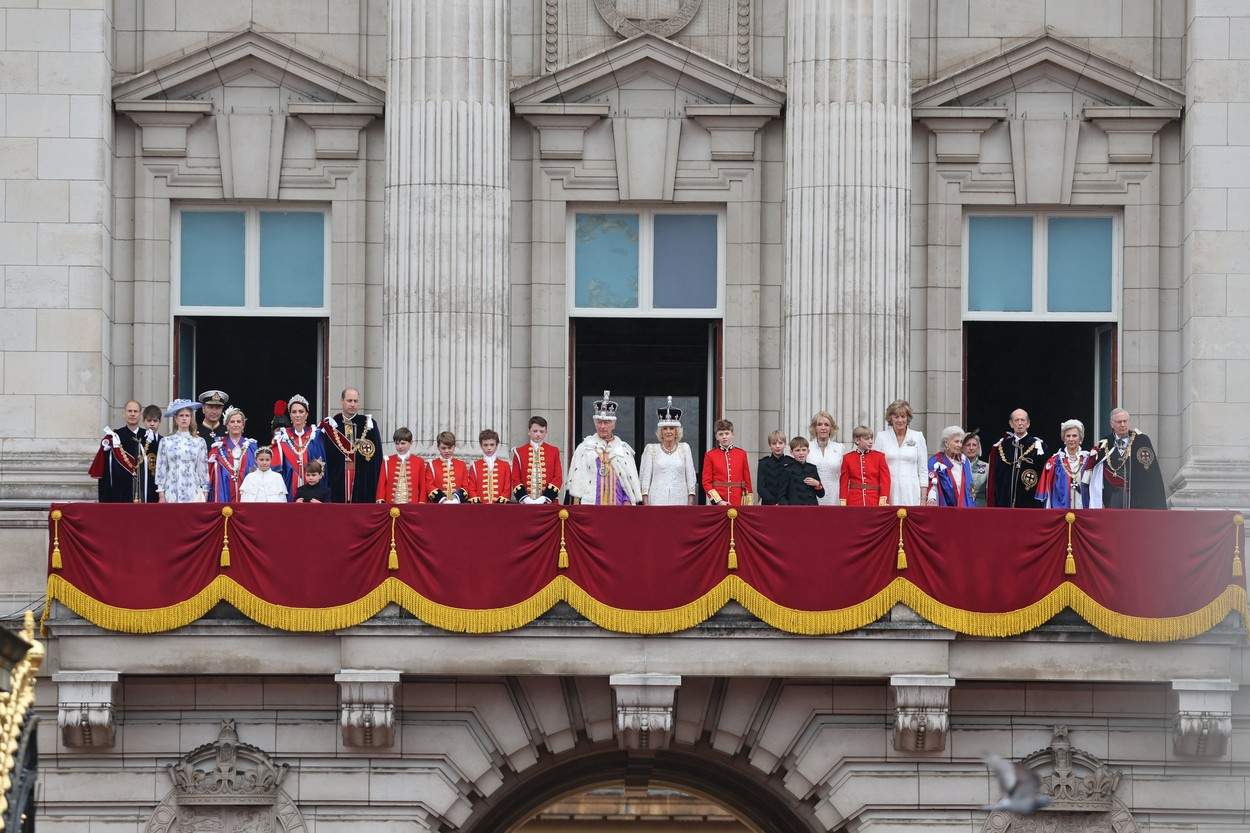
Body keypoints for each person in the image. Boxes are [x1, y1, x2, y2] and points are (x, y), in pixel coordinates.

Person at [568, 391, 641, 505]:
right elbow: (576, 481)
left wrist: (627, 501)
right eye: (599, 422)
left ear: (613, 424)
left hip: (618, 506)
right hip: (591, 505)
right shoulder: (584, 448)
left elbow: (627, 480)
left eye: (606, 422)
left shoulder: (623, 450)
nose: (602, 426)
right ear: (595, 423)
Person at [1088, 409, 1167, 509]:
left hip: (1137, 496)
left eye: (1125, 421)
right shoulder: (1104, 443)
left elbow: (1150, 472)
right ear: (1112, 424)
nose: (1122, 424)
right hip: (1113, 497)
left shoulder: (1141, 440)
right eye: (1119, 422)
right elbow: (1097, 475)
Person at [320, 388, 383, 503]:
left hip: (362, 482)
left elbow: (377, 457)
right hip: (337, 481)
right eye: (349, 401)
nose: (353, 404)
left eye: (355, 401)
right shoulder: (332, 425)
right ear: (342, 401)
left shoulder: (369, 424)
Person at [89, 400, 152, 503]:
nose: (132, 414)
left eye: (135, 411)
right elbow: (106, 470)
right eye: (129, 411)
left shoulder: (148, 436)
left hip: (144, 496)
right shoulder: (114, 437)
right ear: (124, 414)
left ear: (140, 414)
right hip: (119, 495)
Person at [639, 397, 697, 506]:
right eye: (665, 428)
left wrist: (690, 501)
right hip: (656, 500)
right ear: (661, 432)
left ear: (677, 431)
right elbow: (645, 479)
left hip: (680, 500)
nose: (668, 432)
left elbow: (690, 476)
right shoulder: (651, 449)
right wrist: (645, 504)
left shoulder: (684, 448)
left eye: (672, 428)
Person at [986, 408, 1046, 508]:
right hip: (1005, 502)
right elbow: (996, 477)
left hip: (1029, 501)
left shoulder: (1039, 446)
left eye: (1023, 420)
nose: (1020, 423)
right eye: (1016, 420)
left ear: (1028, 424)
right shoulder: (1002, 446)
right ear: (1011, 424)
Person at [272, 394, 326, 501]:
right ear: (290, 415)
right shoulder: (281, 437)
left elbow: (322, 464)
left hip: (313, 489)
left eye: (301, 412)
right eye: (294, 412)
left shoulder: (316, 435)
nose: (297, 415)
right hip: (289, 486)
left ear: (306, 414)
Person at [155, 399, 209, 503]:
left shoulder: (199, 442)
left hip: (193, 490)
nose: (184, 418)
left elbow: (203, 470)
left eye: (187, 415)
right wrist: (161, 494)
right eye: (181, 415)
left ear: (191, 418)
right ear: (175, 418)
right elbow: (161, 469)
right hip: (171, 490)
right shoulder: (166, 441)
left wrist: (205, 493)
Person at [875, 400, 928, 506]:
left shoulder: (918, 436)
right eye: (896, 417)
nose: (900, 420)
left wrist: (923, 498)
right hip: (888, 489)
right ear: (890, 418)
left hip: (911, 489)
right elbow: (875, 468)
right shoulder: (881, 437)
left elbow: (923, 469)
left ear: (907, 418)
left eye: (903, 416)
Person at [1036, 419, 1094, 510]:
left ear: (1080, 438)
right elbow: (1049, 489)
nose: (1071, 439)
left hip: (1084, 509)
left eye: (1074, 436)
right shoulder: (1055, 461)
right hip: (1060, 510)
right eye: (1068, 436)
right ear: (1064, 439)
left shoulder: (1089, 460)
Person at [208, 407, 258, 503]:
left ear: (243, 425)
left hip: (247, 496)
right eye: (232, 422)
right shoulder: (218, 448)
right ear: (227, 425)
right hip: (224, 495)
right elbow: (210, 477)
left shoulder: (251, 447)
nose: (236, 424)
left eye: (239, 422)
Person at [511, 416, 563, 504]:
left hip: (548, 503)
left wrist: (545, 498)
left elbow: (558, 477)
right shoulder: (519, 452)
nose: (538, 434)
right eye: (535, 431)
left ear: (546, 432)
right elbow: (515, 478)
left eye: (541, 431)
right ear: (529, 432)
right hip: (525, 503)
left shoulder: (554, 451)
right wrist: (525, 499)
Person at [702, 419, 752, 506]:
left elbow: (747, 480)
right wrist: (718, 501)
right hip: (719, 501)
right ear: (716, 437)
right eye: (721, 434)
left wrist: (748, 503)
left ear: (732, 435)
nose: (724, 437)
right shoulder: (710, 455)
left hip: (738, 501)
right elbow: (706, 482)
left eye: (727, 433)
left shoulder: (741, 454)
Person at [839, 426, 891, 507]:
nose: (870, 442)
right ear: (857, 440)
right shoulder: (847, 458)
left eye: (871, 439)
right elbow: (844, 483)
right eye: (867, 439)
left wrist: (883, 499)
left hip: (874, 500)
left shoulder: (879, 457)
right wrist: (843, 501)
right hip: (854, 500)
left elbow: (885, 480)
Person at [926, 426, 974, 507]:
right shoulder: (935, 461)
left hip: (965, 510)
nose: (959, 445)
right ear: (946, 443)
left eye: (961, 442)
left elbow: (971, 488)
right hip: (944, 509)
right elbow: (931, 485)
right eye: (956, 441)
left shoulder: (965, 462)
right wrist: (931, 498)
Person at [376, 427, 424, 504]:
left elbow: (422, 485)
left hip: (413, 505)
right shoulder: (387, 461)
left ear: (411, 442)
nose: (400, 446)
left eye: (403, 443)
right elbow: (382, 483)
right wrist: (380, 498)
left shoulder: (419, 461)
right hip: (391, 505)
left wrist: (422, 501)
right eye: (397, 443)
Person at [806, 411, 845, 505]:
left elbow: (844, 475)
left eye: (826, 425)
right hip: (811, 495)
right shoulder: (807, 447)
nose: (823, 428)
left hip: (834, 495)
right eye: (819, 424)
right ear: (814, 428)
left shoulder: (840, 448)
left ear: (831, 428)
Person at [468, 429, 512, 504]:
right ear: (481, 445)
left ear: (497, 445)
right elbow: (471, 489)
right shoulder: (474, 466)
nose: (489, 448)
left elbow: (507, 488)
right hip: (480, 508)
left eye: (492, 444)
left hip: (500, 507)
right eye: (485, 445)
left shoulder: (505, 465)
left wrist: (500, 503)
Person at [425, 431, 470, 504]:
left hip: (458, 505)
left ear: (454, 447)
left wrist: (456, 498)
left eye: (450, 448)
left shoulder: (462, 465)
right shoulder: (431, 465)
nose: (447, 451)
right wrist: (442, 500)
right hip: (438, 506)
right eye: (443, 448)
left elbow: (466, 486)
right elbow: (429, 486)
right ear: (438, 447)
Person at [756, 430, 795, 505]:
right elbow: (761, 488)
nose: (777, 446)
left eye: (780, 443)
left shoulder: (791, 462)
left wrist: (783, 502)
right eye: (774, 443)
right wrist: (774, 502)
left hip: (787, 504)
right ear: (770, 445)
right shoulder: (763, 463)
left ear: (785, 444)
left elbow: (793, 487)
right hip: (768, 504)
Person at [788, 436, 824, 505]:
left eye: (804, 450)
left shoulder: (812, 468)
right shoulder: (787, 470)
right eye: (797, 450)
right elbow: (782, 495)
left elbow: (821, 494)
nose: (801, 453)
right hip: (794, 509)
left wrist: (817, 484)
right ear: (791, 452)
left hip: (811, 509)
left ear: (808, 451)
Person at [962, 433, 989, 507]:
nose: (971, 448)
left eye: (974, 445)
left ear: (978, 448)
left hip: (980, 509)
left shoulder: (987, 467)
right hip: (961, 508)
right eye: (968, 445)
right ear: (962, 448)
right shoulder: (957, 467)